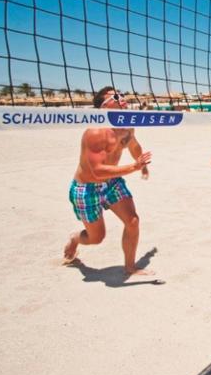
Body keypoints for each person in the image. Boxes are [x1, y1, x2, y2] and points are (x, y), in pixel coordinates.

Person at [63, 86, 153, 276]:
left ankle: (130, 267)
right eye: (116, 97)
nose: (122, 98)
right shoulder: (95, 132)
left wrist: (143, 165)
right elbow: (96, 171)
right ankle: (75, 238)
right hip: (86, 187)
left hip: (112, 182)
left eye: (121, 94)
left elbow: (134, 145)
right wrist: (134, 167)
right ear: (104, 106)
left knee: (133, 221)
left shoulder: (127, 125)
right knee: (96, 238)